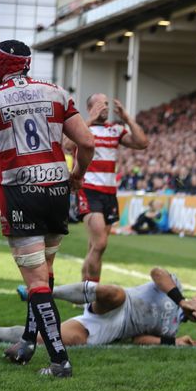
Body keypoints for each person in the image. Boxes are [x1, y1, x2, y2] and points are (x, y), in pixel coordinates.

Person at [0, 40, 95, 377]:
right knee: (45, 272)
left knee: (35, 281)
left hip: (19, 192)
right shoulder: (57, 93)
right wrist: (76, 175)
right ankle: (27, 343)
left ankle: (59, 361)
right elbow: (87, 142)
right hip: (55, 190)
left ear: (2, 65)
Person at [0, 268, 196, 347]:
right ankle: (43, 292)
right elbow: (157, 273)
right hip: (120, 304)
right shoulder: (176, 287)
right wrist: (181, 301)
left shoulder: (173, 328)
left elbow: (139, 338)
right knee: (114, 292)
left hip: (113, 328)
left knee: (52, 338)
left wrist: (174, 342)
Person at [79, 93, 149, 285]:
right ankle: (90, 291)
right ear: (90, 107)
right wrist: (90, 120)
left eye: (107, 104)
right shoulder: (83, 128)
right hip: (89, 189)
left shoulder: (115, 130)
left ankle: (86, 291)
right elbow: (68, 145)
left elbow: (142, 143)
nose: (105, 107)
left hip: (109, 193)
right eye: (101, 104)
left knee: (95, 245)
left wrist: (127, 119)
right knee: (100, 243)